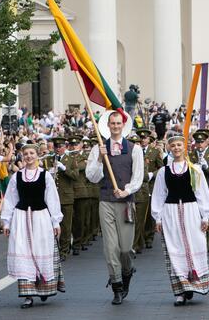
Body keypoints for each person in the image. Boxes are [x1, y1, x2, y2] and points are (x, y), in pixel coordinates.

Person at [86, 111, 144, 305]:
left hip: (126, 202)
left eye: (118, 123)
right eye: (112, 123)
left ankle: (127, 272)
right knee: (111, 248)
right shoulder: (99, 148)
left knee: (125, 249)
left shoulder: (134, 149)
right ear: (108, 126)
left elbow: (138, 177)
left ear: (123, 125)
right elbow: (92, 177)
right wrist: (100, 159)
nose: (115, 126)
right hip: (106, 200)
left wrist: (126, 191)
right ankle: (117, 286)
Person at [1, 143, 65, 309]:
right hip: (21, 218)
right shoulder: (17, 176)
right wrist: (6, 221)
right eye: (26, 154)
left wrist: (55, 220)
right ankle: (28, 295)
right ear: (22, 156)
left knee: (41, 250)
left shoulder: (45, 175)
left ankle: (43, 289)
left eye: (31, 153)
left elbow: (52, 198)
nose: (28, 156)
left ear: (37, 155)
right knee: (24, 252)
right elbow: (10, 199)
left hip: (41, 218)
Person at [151, 134, 209, 306]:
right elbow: (159, 194)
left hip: (191, 211)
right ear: (169, 148)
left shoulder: (194, 169)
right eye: (173, 145)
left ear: (184, 147)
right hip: (170, 213)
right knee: (174, 249)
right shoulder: (164, 171)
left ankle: (193, 284)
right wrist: (157, 218)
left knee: (193, 246)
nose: (176, 148)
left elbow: (201, 192)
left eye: (179, 145)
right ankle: (180, 290)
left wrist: (205, 215)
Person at [188, 129, 209, 253]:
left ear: (207, 143)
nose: (199, 145)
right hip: (195, 191)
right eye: (197, 142)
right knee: (196, 218)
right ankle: (201, 241)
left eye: (202, 142)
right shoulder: (191, 155)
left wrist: (207, 168)